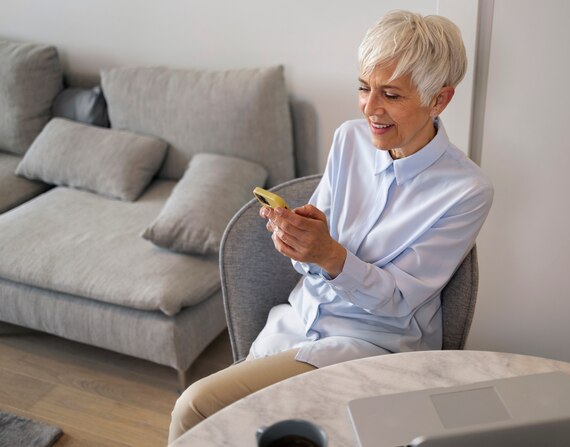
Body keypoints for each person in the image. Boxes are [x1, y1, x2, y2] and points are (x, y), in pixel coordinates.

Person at [168, 9, 493, 443]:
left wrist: (330, 256)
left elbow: (399, 303)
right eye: (364, 87)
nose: (370, 108)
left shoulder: (466, 190)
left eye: (391, 95)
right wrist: (299, 242)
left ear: (439, 100)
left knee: (196, 406)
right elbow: (313, 262)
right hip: (296, 324)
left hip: (371, 347)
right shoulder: (348, 140)